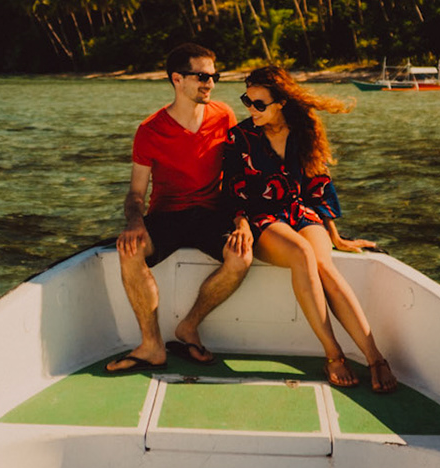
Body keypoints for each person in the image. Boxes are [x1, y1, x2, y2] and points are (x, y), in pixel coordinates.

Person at [224, 65, 398, 393]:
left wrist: (335, 236)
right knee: (303, 254)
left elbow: (319, 183)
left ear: (281, 103)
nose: (250, 109)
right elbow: (231, 187)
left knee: (325, 267)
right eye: (247, 100)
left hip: (300, 213)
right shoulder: (241, 136)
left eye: (259, 104)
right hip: (262, 218)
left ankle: (375, 358)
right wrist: (241, 222)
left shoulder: (304, 130)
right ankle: (333, 354)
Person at [106, 43, 252, 372]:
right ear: (177, 79)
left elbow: (238, 177)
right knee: (130, 251)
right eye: (202, 76)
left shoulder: (224, 116)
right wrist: (135, 222)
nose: (210, 83)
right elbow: (135, 194)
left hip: (212, 214)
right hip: (167, 215)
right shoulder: (150, 130)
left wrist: (242, 221)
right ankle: (152, 346)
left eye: (215, 76)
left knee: (241, 257)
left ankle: (189, 326)